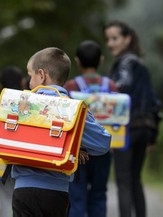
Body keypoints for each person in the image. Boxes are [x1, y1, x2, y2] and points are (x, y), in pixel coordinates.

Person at [11, 47, 112, 217]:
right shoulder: (73, 108)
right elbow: (103, 143)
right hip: (56, 193)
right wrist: (75, 145)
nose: (29, 82)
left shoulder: (19, 105)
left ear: (42, 75)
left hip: (23, 189)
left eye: (30, 76)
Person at [104, 20, 161, 217]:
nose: (110, 43)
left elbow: (122, 86)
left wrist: (106, 89)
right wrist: (153, 135)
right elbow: (155, 103)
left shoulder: (125, 63)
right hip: (145, 127)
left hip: (126, 129)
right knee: (135, 180)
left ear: (127, 39)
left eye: (114, 38)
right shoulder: (141, 65)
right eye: (108, 39)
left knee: (124, 182)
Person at [64, 40, 117, 217]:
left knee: (76, 194)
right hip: (104, 150)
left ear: (77, 61)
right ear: (101, 60)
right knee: (99, 193)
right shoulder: (110, 85)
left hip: (79, 150)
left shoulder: (71, 87)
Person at [0, 66, 27, 217]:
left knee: (7, 200)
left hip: (3, 161)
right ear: (22, 82)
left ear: (1, 86)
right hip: (26, 159)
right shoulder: (31, 104)